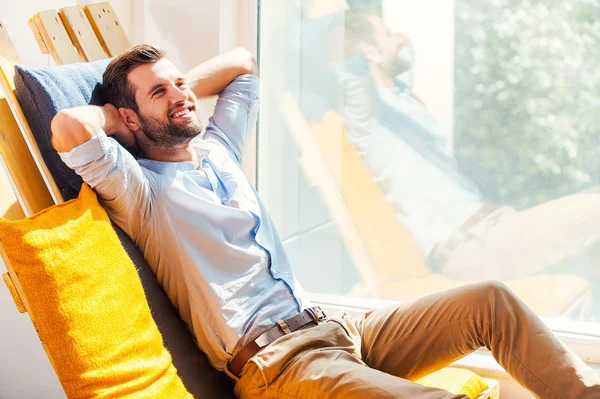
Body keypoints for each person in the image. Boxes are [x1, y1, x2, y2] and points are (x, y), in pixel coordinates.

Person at [51, 44, 600, 398]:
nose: (181, 96)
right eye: (158, 92)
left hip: (335, 330)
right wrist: (130, 118)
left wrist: (174, 95)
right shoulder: (142, 191)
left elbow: (243, 64)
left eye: (180, 84)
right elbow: (70, 128)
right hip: (279, 368)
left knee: (491, 301)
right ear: (127, 116)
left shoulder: (218, 150)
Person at [334, 6, 600, 313]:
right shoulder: (369, 123)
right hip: (475, 250)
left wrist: (399, 54)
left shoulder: (402, 104)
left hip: (495, 228)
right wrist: (349, 34)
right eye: (389, 33)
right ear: (368, 50)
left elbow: (403, 90)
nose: (401, 38)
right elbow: (351, 76)